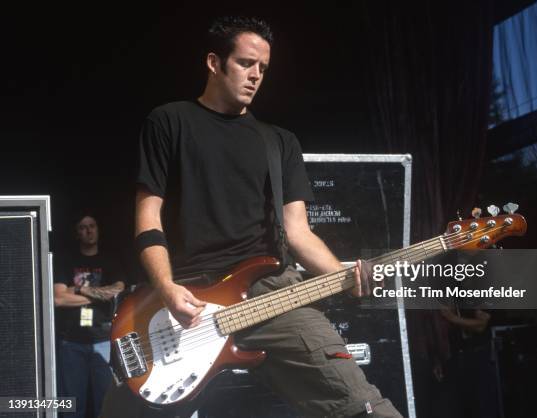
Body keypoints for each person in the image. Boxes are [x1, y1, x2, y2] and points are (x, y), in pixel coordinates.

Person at [100, 16, 402, 418]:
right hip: (187, 302)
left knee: (361, 406)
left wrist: (347, 278)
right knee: (123, 412)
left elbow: (298, 232)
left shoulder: (279, 142)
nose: (256, 75)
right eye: (245, 63)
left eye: (263, 68)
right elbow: (147, 217)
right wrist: (167, 288)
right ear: (214, 62)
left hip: (271, 295)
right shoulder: (169, 122)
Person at [53, 214, 125, 418]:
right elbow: (58, 299)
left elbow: (118, 290)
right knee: (72, 405)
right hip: (71, 342)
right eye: (83, 227)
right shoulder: (66, 260)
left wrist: (77, 289)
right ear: (77, 233)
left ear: (98, 229)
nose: (89, 231)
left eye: (92, 226)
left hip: (103, 339)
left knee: (106, 402)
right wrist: (100, 294)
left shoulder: (110, 260)